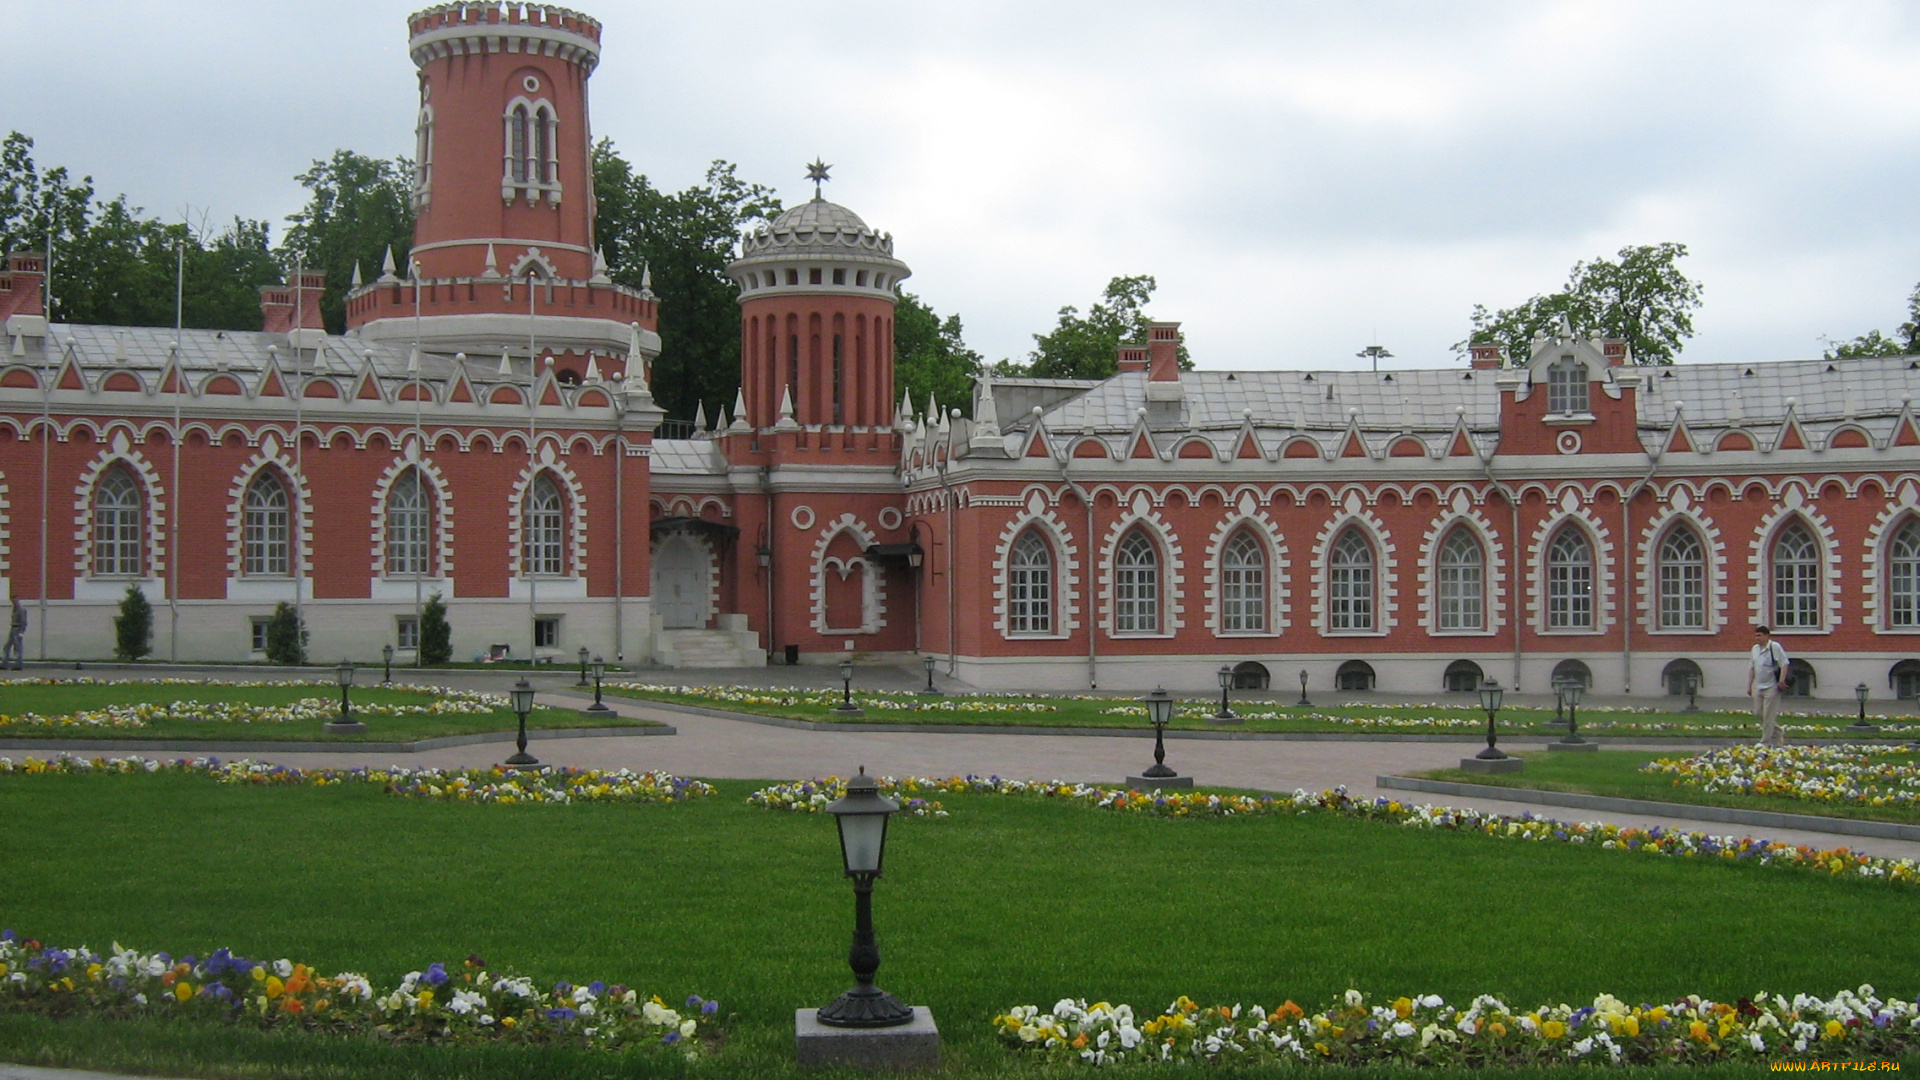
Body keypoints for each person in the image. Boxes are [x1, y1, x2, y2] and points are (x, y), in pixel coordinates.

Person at [1747, 625, 1789, 747]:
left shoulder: (1774, 647)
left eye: (1759, 635)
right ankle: (1778, 731)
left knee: (1768, 715)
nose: (1757, 638)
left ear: (1766, 635)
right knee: (1758, 712)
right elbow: (1752, 668)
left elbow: (1784, 664)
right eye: (1756, 635)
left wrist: (1781, 681)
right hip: (1759, 686)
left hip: (1772, 686)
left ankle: (1765, 741)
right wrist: (1749, 685)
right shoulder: (1755, 649)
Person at [3, 598, 25, 671]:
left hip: (17, 628)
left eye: (14, 600)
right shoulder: (15, 608)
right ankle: (4, 663)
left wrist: (21, 632)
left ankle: (19, 664)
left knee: (18, 648)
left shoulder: (21, 609)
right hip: (13, 628)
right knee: (7, 646)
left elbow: (23, 621)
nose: (13, 602)